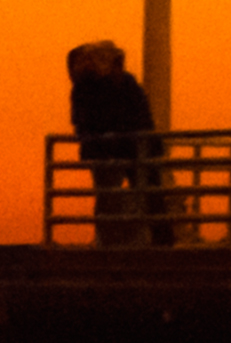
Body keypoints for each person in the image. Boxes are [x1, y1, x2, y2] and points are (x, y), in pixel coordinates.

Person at [66, 39, 165, 244]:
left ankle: (155, 237)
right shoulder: (99, 86)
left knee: (133, 193)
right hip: (119, 148)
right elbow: (137, 116)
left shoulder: (97, 86)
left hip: (122, 147)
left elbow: (84, 121)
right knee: (118, 194)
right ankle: (153, 238)